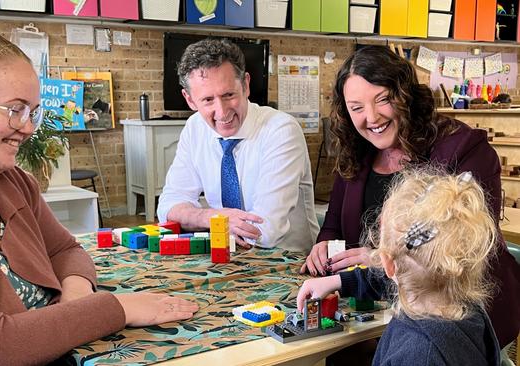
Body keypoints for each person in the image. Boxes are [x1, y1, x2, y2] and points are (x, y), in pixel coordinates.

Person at [0, 26, 198, 365]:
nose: (28, 127)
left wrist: (77, 301)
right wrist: (115, 308)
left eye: (32, 112)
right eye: (15, 109)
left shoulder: (8, 181)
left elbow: (64, 249)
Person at [300, 45, 519, 348]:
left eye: (383, 100)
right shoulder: (357, 153)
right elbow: (334, 224)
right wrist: (324, 245)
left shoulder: (464, 149)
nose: (372, 117)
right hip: (377, 315)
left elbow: (465, 246)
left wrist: (381, 257)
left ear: (405, 96)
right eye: (357, 108)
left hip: (456, 320)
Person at [297, 170, 501, 366]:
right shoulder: (468, 308)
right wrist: (338, 282)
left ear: (387, 263)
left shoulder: (420, 354)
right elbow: (399, 275)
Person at [157, 38, 319, 251]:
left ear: (245, 85)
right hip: (228, 257)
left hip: (288, 263)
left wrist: (201, 220)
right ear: (189, 100)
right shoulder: (194, 128)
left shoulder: (281, 130)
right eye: (207, 100)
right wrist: (212, 217)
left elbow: (264, 231)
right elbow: (168, 207)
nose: (222, 112)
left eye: (229, 95)